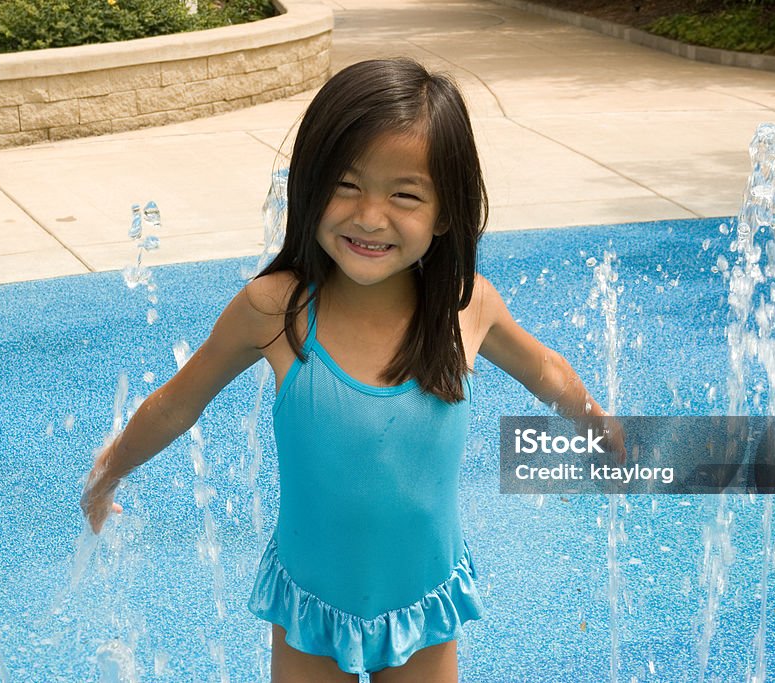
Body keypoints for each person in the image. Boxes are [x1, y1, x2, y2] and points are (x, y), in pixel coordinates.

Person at [80, 57, 625, 683]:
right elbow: (180, 403)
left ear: (446, 213)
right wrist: (110, 470)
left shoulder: (465, 307)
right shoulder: (276, 310)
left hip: (424, 605)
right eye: (345, 184)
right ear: (308, 188)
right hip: (311, 605)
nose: (370, 216)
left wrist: (600, 427)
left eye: (404, 194)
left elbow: (545, 371)